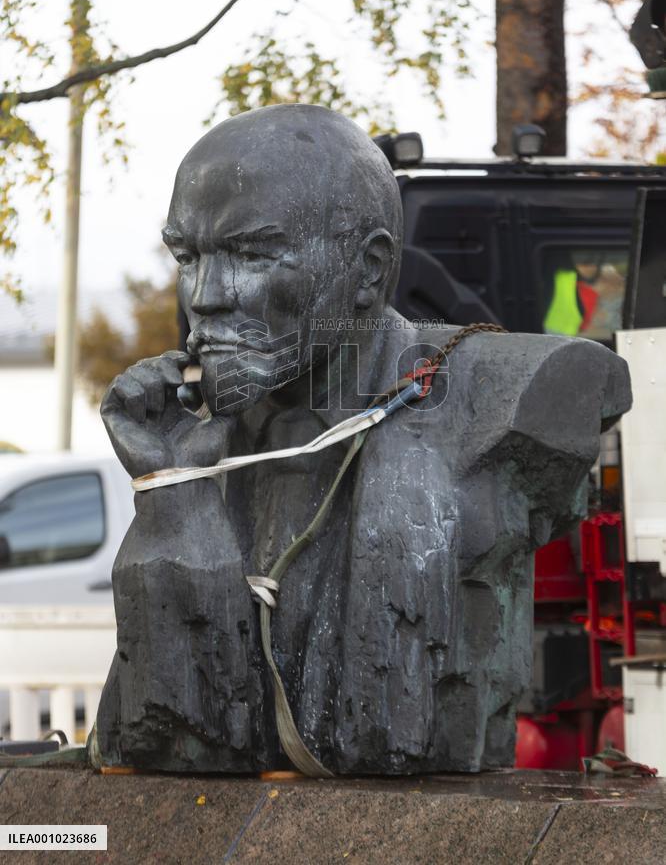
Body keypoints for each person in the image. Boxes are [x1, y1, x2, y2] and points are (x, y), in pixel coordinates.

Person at [95, 105, 631, 774]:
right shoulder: (206, 436)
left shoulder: (521, 396)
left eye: (251, 252)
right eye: (188, 255)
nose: (203, 296)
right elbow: (175, 742)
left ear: (371, 270)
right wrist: (174, 503)